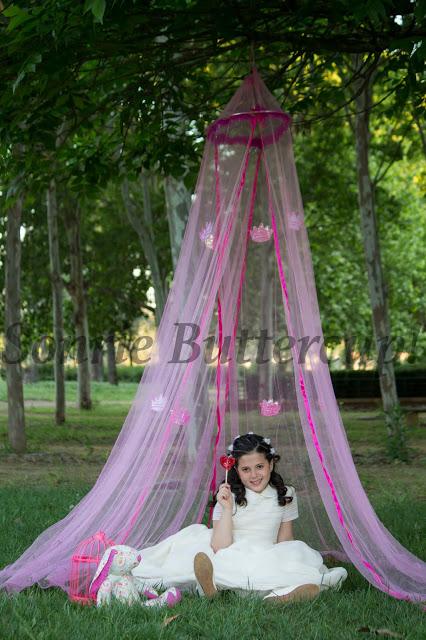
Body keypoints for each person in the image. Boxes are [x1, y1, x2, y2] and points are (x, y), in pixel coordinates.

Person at [131, 433, 348, 603]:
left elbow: (285, 540)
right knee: (227, 562)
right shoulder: (228, 495)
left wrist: (286, 560)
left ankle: (280, 595)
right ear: (236, 469)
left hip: (266, 549)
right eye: (246, 469)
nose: (254, 475)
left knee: (278, 565)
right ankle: (209, 585)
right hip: (229, 547)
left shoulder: (286, 493)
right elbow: (219, 545)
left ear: (271, 464)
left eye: (260, 467)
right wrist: (226, 509)